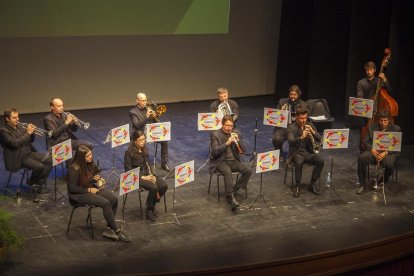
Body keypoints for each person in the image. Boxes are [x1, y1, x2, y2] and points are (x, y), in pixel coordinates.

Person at [67, 145, 130, 242]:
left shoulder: (90, 163)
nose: (90, 157)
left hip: (90, 187)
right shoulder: (74, 168)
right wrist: (89, 190)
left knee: (113, 199)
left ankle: (109, 229)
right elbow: (72, 188)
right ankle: (116, 230)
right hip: (78, 194)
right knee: (105, 203)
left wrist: (99, 179)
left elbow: (95, 174)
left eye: (91, 154)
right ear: (81, 158)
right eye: (87, 156)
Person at [0, 108, 52, 194]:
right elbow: (15, 143)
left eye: (18, 117)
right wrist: (28, 133)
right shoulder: (3, 131)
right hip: (18, 158)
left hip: (29, 153)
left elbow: (30, 140)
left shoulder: (20, 126)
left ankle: (37, 183)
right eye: (14, 117)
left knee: (51, 159)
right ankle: (33, 183)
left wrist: (32, 133)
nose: (17, 119)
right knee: (40, 166)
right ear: (7, 118)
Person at [209, 115, 252, 211]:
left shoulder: (235, 133)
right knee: (227, 172)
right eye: (227, 125)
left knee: (248, 171)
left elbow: (243, 150)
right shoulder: (215, 134)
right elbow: (215, 152)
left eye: (231, 126)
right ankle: (230, 198)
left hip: (233, 160)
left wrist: (238, 141)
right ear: (222, 124)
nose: (229, 128)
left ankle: (234, 190)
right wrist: (227, 143)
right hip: (220, 161)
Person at [124, 130, 168, 221]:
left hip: (147, 174)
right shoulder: (129, 152)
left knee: (164, 186)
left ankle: (152, 204)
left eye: (144, 139)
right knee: (154, 187)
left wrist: (152, 175)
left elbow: (148, 163)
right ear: (135, 141)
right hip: (136, 177)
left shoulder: (144, 148)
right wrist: (143, 177)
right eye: (141, 140)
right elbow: (128, 171)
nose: (143, 141)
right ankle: (149, 210)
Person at [356, 111, 401, 194]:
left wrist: (386, 152)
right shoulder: (371, 127)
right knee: (362, 158)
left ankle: (383, 180)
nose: (383, 123)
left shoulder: (396, 129)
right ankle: (362, 185)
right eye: (381, 121)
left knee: (389, 165)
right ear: (378, 120)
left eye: (385, 121)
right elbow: (365, 141)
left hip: (388, 153)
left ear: (389, 120)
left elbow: (397, 146)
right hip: (374, 151)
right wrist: (372, 149)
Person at [287, 107, 324, 197]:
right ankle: (298, 186)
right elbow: (290, 142)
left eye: (305, 118)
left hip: (308, 153)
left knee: (320, 160)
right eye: (301, 118)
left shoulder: (309, 125)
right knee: (299, 161)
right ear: (296, 117)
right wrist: (302, 137)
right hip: (296, 153)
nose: (303, 120)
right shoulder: (291, 127)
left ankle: (312, 184)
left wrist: (313, 131)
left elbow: (320, 138)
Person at [129, 93, 170, 172]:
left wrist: (155, 116)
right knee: (143, 146)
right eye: (143, 101)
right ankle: (144, 166)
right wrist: (147, 116)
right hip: (140, 134)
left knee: (165, 141)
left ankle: (164, 163)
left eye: (146, 100)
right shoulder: (133, 112)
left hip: (151, 132)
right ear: (137, 101)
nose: (145, 102)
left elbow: (155, 123)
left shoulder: (149, 108)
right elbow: (137, 125)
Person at [356, 61, 391, 151]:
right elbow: (360, 99)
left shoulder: (379, 81)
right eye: (367, 70)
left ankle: (378, 148)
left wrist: (385, 80)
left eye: (371, 70)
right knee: (364, 128)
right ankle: (363, 148)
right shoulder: (361, 82)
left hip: (377, 111)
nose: (369, 72)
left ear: (374, 70)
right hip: (365, 110)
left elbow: (389, 91)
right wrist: (367, 106)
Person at [272, 84, 308, 162]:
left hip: (295, 128)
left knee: (294, 138)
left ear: (299, 94)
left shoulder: (304, 104)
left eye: (295, 94)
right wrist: (281, 111)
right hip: (283, 126)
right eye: (291, 94)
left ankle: (293, 155)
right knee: (276, 138)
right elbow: (275, 116)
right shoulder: (282, 102)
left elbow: (305, 119)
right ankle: (279, 153)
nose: (292, 96)